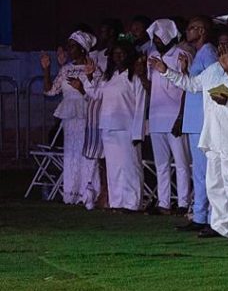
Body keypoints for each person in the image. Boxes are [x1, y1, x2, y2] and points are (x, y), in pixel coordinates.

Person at [155, 30, 228, 240]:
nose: (223, 49)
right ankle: (219, 224)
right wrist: (166, 71)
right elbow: (192, 85)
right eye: (220, 44)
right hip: (212, 135)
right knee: (214, 184)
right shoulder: (213, 69)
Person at [82, 42, 146, 212]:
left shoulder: (135, 77)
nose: (118, 57)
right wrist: (89, 77)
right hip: (108, 127)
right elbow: (95, 94)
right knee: (113, 167)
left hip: (127, 129)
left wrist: (138, 133)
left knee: (130, 167)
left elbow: (140, 106)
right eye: (115, 54)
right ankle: (117, 202)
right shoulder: (108, 77)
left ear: (128, 55)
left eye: (121, 53)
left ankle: (132, 203)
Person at [40, 31, 97, 206]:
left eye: (73, 47)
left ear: (82, 49)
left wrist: (81, 89)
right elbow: (50, 91)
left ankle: (87, 193)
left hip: (87, 115)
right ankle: (71, 192)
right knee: (71, 154)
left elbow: (98, 95)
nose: (69, 50)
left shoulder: (93, 67)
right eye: (69, 46)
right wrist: (46, 70)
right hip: (70, 118)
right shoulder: (66, 69)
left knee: (86, 155)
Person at [146, 19, 193, 216]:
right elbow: (151, 86)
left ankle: (183, 202)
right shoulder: (152, 55)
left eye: (159, 37)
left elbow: (187, 86)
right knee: (161, 164)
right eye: (155, 38)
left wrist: (181, 117)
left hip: (175, 117)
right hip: (156, 117)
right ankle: (164, 202)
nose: (156, 41)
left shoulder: (182, 55)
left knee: (181, 163)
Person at [176, 16, 219, 232]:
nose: (187, 31)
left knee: (205, 172)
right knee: (200, 172)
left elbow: (214, 82)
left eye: (192, 28)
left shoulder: (209, 52)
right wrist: (184, 72)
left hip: (202, 120)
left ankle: (209, 218)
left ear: (202, 31)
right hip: (195, 121)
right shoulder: (199, 53)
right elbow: (195, 85)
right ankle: (201, 215)